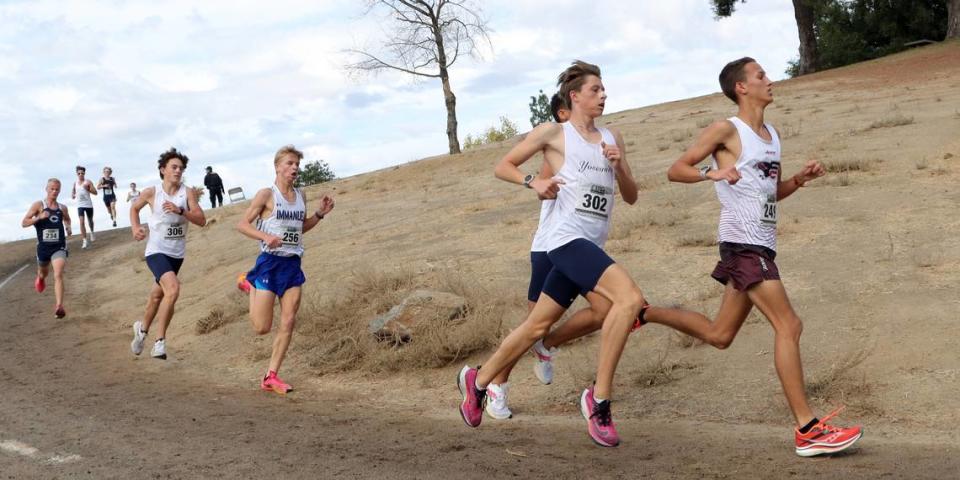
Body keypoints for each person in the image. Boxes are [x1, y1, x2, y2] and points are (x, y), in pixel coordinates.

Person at [665, 57, 862, 457]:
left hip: (762, 242)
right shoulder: (726, 129)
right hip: (742, 243)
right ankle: (808, 429)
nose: (769, 81)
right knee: (789, 325)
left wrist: (798, 181)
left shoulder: (771, 134)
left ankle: (643, 313)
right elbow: (675, 169)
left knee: (720, 335)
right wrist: (711, 173)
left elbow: (770, 194)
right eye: (761, 76)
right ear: (741, 87)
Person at [459, 60, 645, 448]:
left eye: (604, 89)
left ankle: (478, 382)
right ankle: (599, 400)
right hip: (564, 239)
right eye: (595, 90)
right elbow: (503, 165)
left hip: (591, 244)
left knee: (537, 327)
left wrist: (620, 166)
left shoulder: (613, 138)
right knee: (628, 301)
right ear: (574, 97)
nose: (604, 95)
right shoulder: (554, 133)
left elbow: (630, 196)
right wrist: (534, 181)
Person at [235, 145, 334, 394]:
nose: (294, 168)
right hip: (269, 262)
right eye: (290, 163)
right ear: (278, 167)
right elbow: (242, 224)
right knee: (262, 328)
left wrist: (320, 214)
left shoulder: (300, 196)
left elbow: (300, 228)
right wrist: (264, 237)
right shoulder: (266, 195)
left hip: (292, 264)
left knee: (289, 320)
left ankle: (271, 375)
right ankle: (250, 284)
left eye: (297, 165)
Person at [129, 148, 205, 360]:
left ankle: (141, 331)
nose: (178, 171)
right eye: (174, 167)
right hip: (156, 251)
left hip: (177, 255)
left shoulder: (187, 193)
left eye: (181, 168)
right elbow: (134, 209)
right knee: (173, 289)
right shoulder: (152, 192)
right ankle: (159, 343)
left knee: (156, 296)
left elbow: (201, 220)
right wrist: (136, 228)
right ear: (163, 170)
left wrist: (181, 211)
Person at [22, 178, 72, 318]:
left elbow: (67, 219)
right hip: (43, 248)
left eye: (57, 189)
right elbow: (24, 222)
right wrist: (38, 218)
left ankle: (59, 306)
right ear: (46, 189)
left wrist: (68, 227)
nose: (54, 192)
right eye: (52, 189)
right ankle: (41, 278)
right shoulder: (39, 205)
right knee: (44, 273)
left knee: (58, 274)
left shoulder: (62, 208)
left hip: (59, 246)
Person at [71, 166, 97, 248]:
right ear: (77, 174)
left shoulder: (88, 182)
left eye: (82, 173)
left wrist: (88, 189)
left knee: (90, 221)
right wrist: (73, 195)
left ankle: (92, 232)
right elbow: (73, 191)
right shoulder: (75, 183)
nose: (80, 174)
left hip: (88, 205)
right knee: (81, 222)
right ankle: (85, 241)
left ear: (84, 173)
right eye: (79, 173)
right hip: (80, 205)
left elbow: (95, 192)